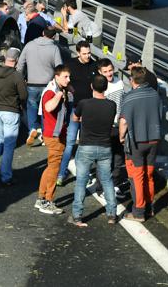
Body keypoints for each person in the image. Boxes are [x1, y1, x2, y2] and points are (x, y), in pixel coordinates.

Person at [68, 74, 119, 226]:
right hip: (104, 147)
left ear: (91, 87)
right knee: (107, 180)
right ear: (106, 87)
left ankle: (77, 215)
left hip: (86, 146)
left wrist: (83, 118)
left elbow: (74, 118)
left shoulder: (84, 103)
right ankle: (112, 214)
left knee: (81, 181)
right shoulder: (111, 105)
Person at [120, 66, 163, 222]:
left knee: (137, 176)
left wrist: (121, 137)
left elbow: (123, 122)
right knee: (149, 174)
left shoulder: (130, 97)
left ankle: (138, 211)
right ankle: (150, 208)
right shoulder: (155, 95)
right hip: (154, 140)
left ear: (133, 80)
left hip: (137, 141)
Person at [0, 47, 28, 185]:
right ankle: (6, 176)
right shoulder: (17, 76)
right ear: (16, 60)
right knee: (9, 145)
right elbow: (23, 95)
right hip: (11, 111)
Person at [58, 41, 98, 184]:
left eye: (89, 53)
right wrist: (70, 90)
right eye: (85, 53)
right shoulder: (71, 64)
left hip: (89, 110)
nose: (88, 56)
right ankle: (61, 174)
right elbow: (64, 81)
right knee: (70, 143)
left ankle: (84, 175)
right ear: (78, 53)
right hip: (75, 108)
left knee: (84, 145)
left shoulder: (94, 65)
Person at [35, 64, 72, 215]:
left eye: (69, 77)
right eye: (65, 77)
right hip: (54, 135)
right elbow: (49, 107)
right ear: (56, 77)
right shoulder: (51, 91)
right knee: (54, 168)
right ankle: (47, 200)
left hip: (56, 133)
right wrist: (59, 95)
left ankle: (41, 198)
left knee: (51, 167)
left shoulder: (59, 87)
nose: (68, 80)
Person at [18, 26, 63, 145]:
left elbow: (20, 65)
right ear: (54, 36)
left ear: (43, 33)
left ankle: (32, 128)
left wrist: (21, 79)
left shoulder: (29, 45)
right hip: (48, 85)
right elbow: (59, 67)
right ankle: (44, 134)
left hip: (32, 82)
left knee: (31, 106)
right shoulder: (54, 48)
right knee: (45, 110)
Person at [94, 58, 127, 196]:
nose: (109, 74)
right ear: (99, 72)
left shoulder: (119, 82)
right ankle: (101, 187)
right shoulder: (100, 86)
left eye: (110, 70)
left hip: (118, 125)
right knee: (105, 159)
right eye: (105, 71)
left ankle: (115, 184)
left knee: (118, 158)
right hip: (105, 127)